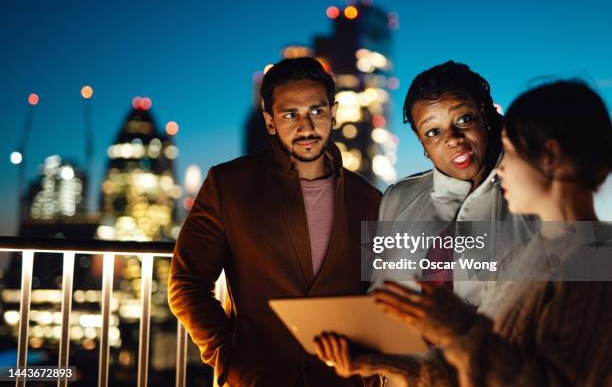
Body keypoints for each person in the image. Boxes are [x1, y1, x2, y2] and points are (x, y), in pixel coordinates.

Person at [316, 79, 612, 386]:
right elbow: (476, 368)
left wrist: (459, 328)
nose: (500, 169)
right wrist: (383, 364)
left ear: (550, 157)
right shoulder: (530, 255)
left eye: (508, 152)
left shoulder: (597, 258)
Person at [168, 57, 381, 386]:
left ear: (334, 113)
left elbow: (379, 297)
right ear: (269, 122)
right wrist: (228, 358)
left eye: (316, 111)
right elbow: (187, 284)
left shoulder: (369, 199)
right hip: (256, 379)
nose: (306, 127)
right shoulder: (228, 185)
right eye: (290, 114)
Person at [372, 60, 532, 305]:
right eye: (433, 132)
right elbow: (379, 293)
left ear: (484, 115)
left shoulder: (535, 195)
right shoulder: (398, 198)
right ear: (420, 141)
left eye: (464, 119)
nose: (452, 139)